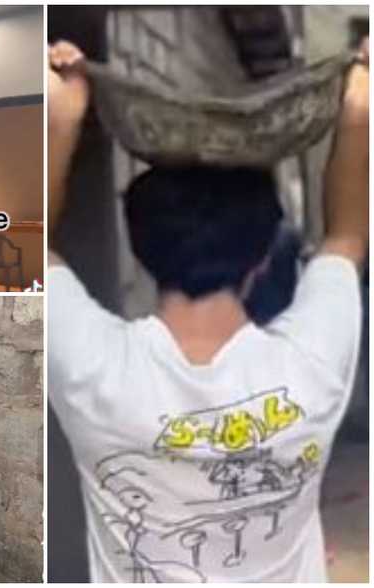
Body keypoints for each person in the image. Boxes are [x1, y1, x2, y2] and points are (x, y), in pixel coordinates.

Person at [46, 38, 368, 583]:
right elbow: (347, 234)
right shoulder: (314, 362)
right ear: (264, 255)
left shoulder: (93, 367)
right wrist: (360, 101)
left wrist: (63, 114)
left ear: (142, 247)